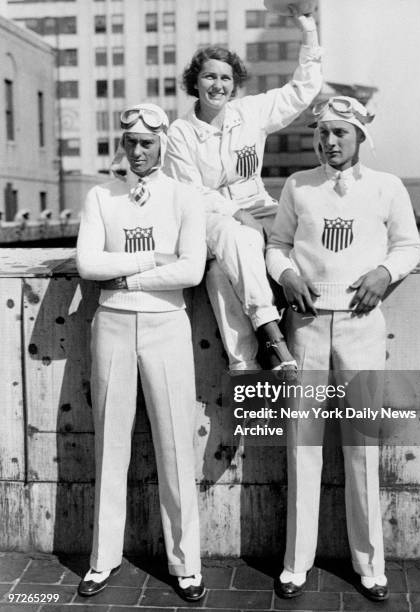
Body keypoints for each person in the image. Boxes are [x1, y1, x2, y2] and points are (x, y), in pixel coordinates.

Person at [266, 96, 420, 602]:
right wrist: (285, 273)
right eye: (324, 133)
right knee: (303, 446)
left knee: (362, 446)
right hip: (307, 327)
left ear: (359, 138)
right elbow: (277, 244)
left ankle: (370, 564)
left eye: (341, 133)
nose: (330, 142)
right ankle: (296, 564)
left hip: (361, 326)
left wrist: (384, 272)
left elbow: (409, 245)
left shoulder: (386, 187)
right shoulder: (297, 186)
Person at [76, 103, 207, 602]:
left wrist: (128, 273)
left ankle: (186, 563)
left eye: (147, 143)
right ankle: (102, 558)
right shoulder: (100, 195)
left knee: (175, 444)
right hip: (111, 322)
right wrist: (156, 257)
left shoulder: (184, 196)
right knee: (111, 443)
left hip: (166, 324)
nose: (138, 150)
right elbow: (88, 263)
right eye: (130, 141)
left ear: (163, 145)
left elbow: (191, 271)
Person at [163, 4, 323, 374]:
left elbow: (302, 90)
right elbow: (190, 192)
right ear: (195, 82)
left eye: (225, 78)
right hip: (207, 217)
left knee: (221, 274)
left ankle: (245, 364)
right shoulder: (180, 132)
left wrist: (308, 31)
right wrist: (237, 214)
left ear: (235, 84)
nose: (218, 85)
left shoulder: (250, 113)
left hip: (258, 207)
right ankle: (271, 330)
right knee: (239, 239)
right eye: (209, 77)